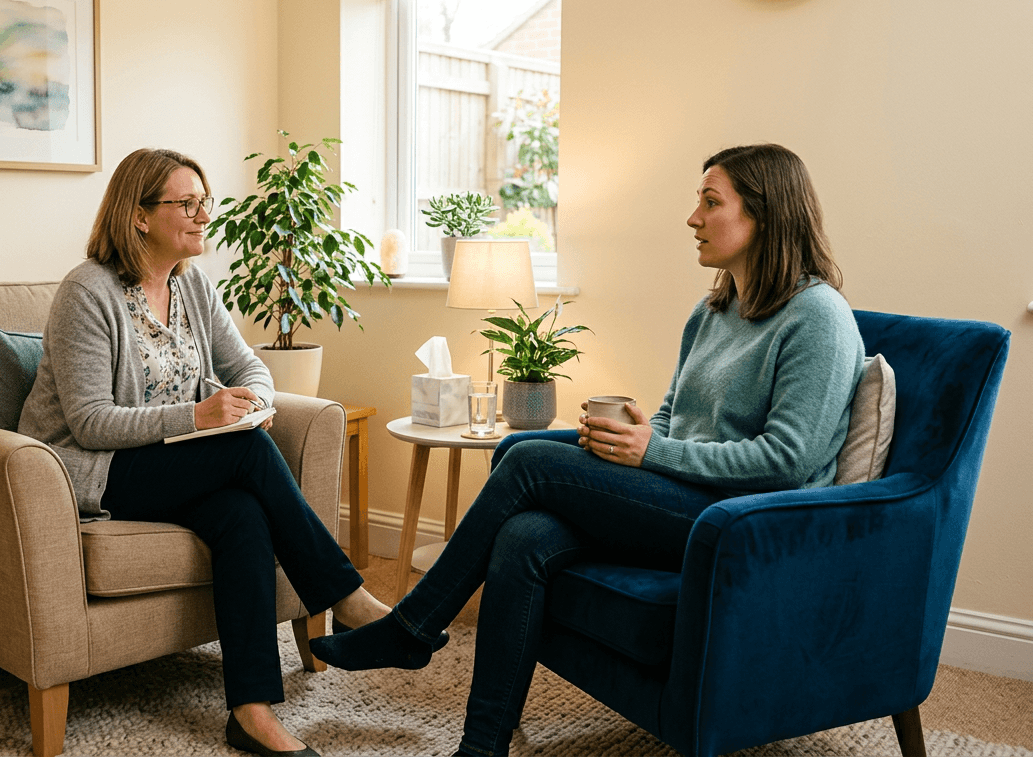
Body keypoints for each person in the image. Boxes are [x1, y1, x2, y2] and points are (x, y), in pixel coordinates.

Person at [310, 144, 866, 757]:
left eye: (711, 203)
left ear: (767, 215)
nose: (693, 218)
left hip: (745, 523)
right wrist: (636, 432)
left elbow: (786, 460)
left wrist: (651, 453)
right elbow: (672, 414)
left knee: (523, 455)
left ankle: (411, 626)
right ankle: (481, 746)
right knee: (524, 535)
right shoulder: (714, 310)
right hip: (684, 497)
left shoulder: (818, 317)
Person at [18, 148, 393, 757]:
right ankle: (347, 600)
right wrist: (200, 415)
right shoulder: (86, 292)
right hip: (87, 470)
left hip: (171, 461)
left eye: (203, 201)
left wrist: (260, 399)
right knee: (245, 456)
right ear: (139, 215)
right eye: (185, 203)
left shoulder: (191, 284)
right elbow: (88, 423)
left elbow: (245, 363)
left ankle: (250, 713)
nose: (201, 215)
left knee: (241, 515)